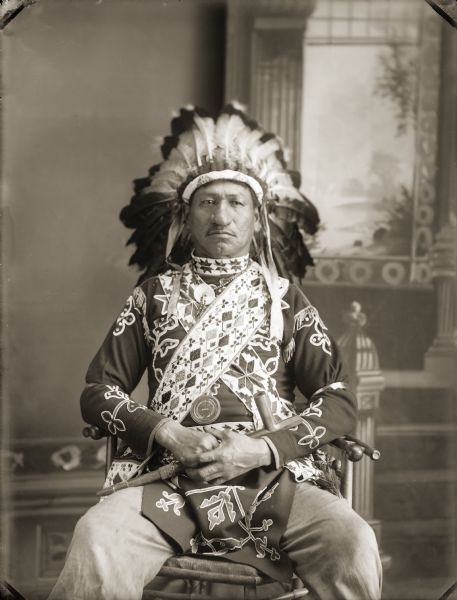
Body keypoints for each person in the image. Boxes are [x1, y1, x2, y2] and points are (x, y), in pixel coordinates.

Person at [49, 105, 382, 600]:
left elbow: (339, 401)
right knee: (97, 539)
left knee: (352, 541)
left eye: (235, 203)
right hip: (169, 480)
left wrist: (262, 448)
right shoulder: (152, 296)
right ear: (185, 216)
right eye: (207, 202)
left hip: (274, 480)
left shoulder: (283, 299)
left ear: (257, 217)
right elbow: (97, 393)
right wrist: (167, 433)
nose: (221, 216)